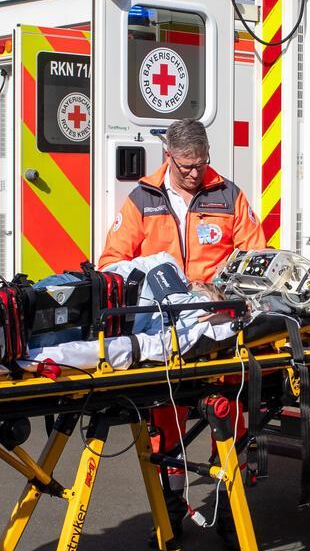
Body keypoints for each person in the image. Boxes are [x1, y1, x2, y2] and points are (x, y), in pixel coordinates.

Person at [96, 118, 266, 523]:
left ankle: (230, 510)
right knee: (165, 421)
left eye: (201, 164)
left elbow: (256, 260)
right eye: (186, 166)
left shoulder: (229, 196)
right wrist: (174, 284)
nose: (194, 174)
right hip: (166, 330)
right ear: (167, 156)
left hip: (219, 329)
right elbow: (112, 265)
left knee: (227, 416)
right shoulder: (143, 199)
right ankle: (171, 508)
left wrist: (220, 292)